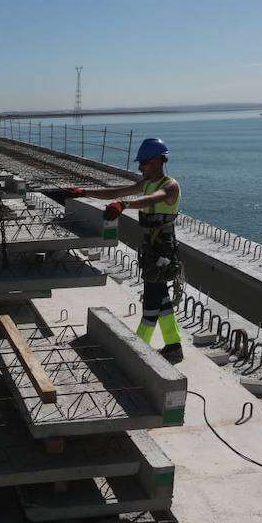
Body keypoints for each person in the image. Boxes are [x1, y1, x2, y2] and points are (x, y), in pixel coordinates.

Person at [71, 137, 185, 362]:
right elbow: (117, 192)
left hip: (163, 250)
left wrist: (125, 205)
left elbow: (154, 198)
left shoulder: (169, 186)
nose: (139, 167)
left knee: (152, 300)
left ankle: (139, 348)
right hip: (153, 249)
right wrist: (86, 192)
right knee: (160, 297)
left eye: (142, 162)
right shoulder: (147, 182)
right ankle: (174, 347)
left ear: (156, 161)